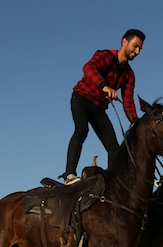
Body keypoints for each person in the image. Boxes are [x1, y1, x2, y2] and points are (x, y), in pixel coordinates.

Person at [61, 29, 146, 184]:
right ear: (124, 42)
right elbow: (88, 68)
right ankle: (69, 175)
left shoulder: (129, 75)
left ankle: (113, 182)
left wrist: (135, 121)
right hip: (81, 98)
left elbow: (128, 100)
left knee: (113, 147)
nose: (137, 51)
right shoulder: (106, 56)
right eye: (135, 46)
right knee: (82, 130)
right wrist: (104, 86)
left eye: (140, 48)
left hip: (98, 108)